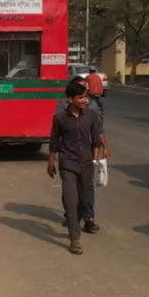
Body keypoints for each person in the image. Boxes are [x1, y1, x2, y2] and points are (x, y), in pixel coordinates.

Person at [48, 82, 103, 255]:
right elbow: (55, 142)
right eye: (81, 97)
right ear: (70, 99)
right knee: (71, 200)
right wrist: (51, 161)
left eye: (85, 97)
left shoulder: (92, 115)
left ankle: (75, 220)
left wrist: (94, 160)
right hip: (68, 163)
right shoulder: (60, 118)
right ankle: (75, 239)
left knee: (84, 200)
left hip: (87, 164)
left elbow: (96, 140)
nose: (85, 100)